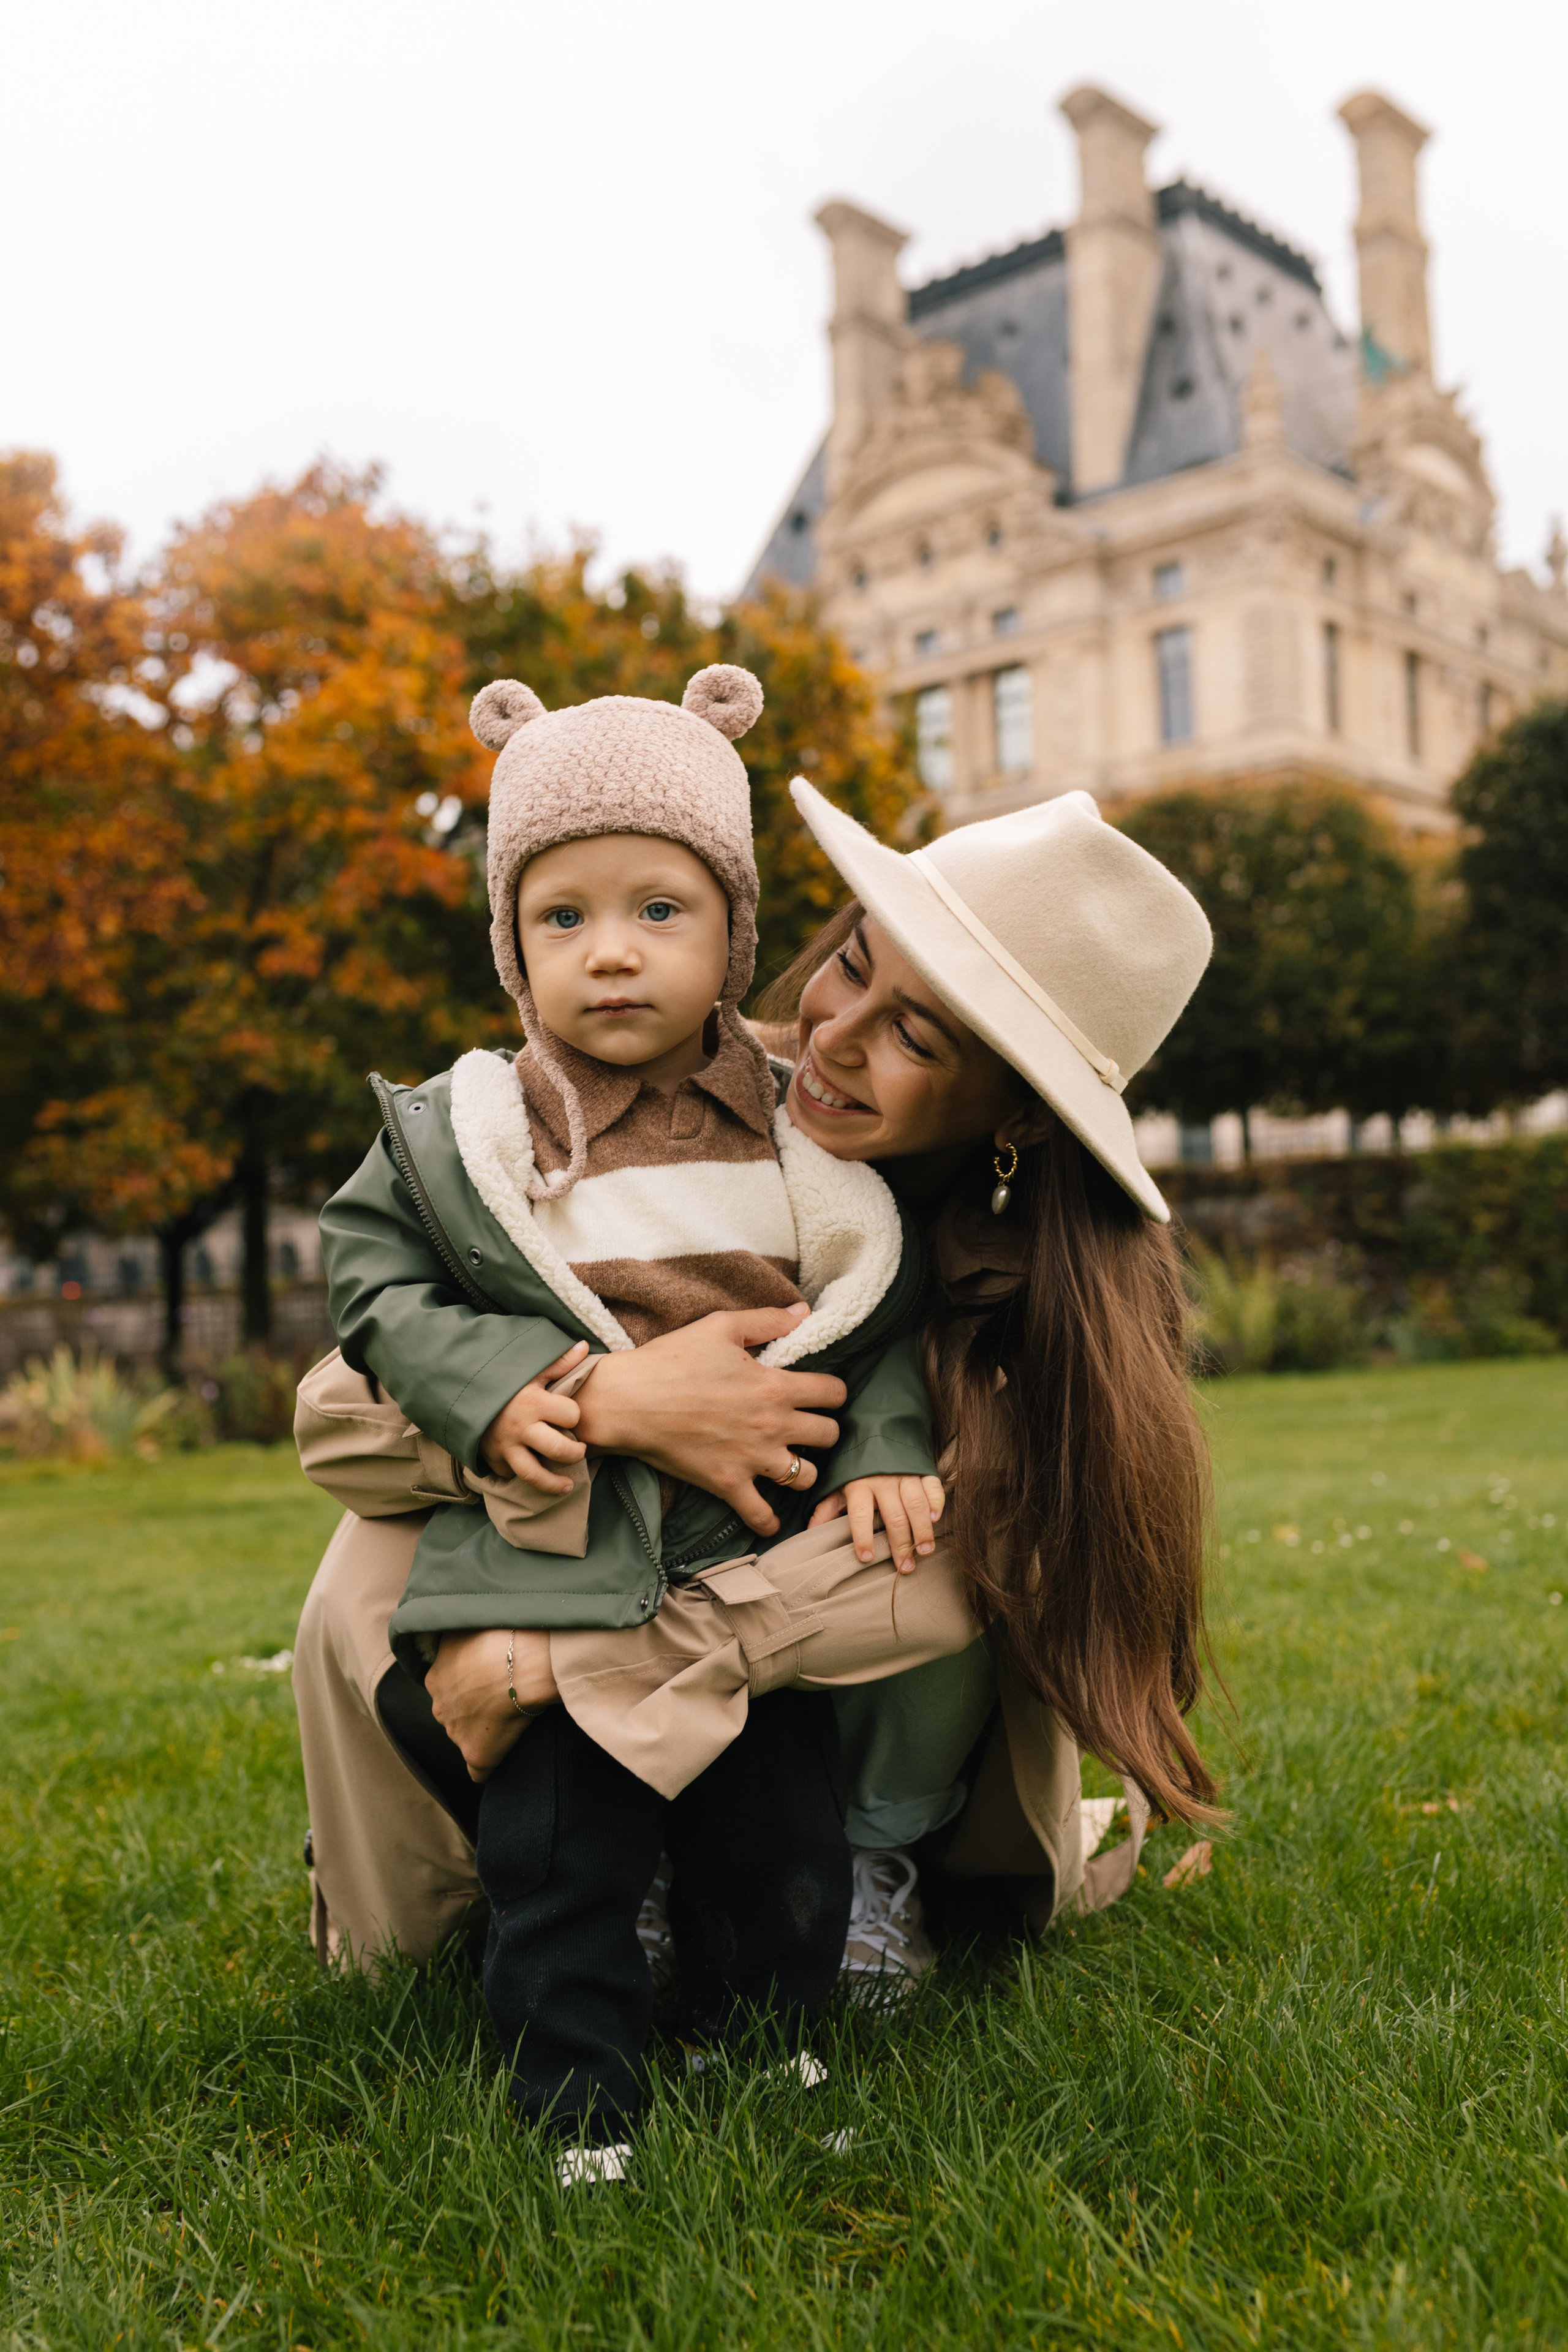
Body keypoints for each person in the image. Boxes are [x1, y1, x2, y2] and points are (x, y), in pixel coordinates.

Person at [293, 774, 1221, 2125]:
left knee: (929, 1521)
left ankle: (860, 1873)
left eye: (915, 1035)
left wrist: (564, 1667)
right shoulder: (671, 1097)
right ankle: (529, 1877)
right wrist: (607, 1402)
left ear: (1018, 1113)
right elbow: (334, 1420)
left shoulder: (1039, 1301)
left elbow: (969, 1571)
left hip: (823, 1691)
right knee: (362, 1569)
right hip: (604, 1532)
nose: (835, 1033)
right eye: (852, 962)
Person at [310, 665, 951, 2156]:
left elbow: (867, 1310)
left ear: (734, 934)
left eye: (659, 910)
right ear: (511, 949)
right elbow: (370, 1282)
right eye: (561, 918)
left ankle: (768, 2056)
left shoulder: (791, 1131)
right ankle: (577, 2106)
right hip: (552, 1562)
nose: (609, 953)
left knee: (775, 1836)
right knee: (563, 1856)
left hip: (744, 1550)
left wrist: (884, 1447)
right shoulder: (477, 1132)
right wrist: (498, 1387)